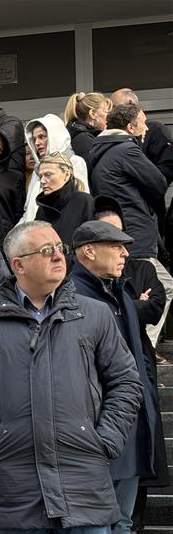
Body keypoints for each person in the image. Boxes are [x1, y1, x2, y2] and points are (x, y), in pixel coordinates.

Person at [0, 220, 142, 534]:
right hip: (14, 478)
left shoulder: (94, 314)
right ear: (18, 264)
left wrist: (105, 440)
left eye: (58, 246)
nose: (58, 255)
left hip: (83, 475)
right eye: (45, 250)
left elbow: (125, 382)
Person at [67, 220, 161, 534]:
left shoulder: (119, 291)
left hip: (131, 427)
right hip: (95, 433)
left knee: (121, 522)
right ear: (89, 250)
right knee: (86, 526)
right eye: (117, 246)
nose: (126, 253)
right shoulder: (71, 296)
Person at [88, 103, 171, 347]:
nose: (146, 128)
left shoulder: (101, 150)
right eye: (143, 123)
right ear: (130, 127)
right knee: (162, 287)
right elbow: (158, 183)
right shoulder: (126, 149)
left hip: (123, 230)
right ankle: (140, 341)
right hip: (136, 233)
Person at [21, 114, 89, 223]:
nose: (37, 143)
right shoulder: (37, 169)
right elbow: (28, 210)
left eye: (42, 137)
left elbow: (81, 204)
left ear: (55, 136)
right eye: (34, 139)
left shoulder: (75, 162)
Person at [110, 88, 173, 184]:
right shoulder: (111, 134)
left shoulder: (155, 130)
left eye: (114, 106)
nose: (111, 112)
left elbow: (167, 167)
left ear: (130, 103)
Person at [33, 152, 94, 247]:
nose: (42, 181)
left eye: (48, 175)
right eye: (40, 176)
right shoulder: (42, 209)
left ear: (66, 175)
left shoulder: (84, 202)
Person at [64, 91, 111, 158]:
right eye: (106, 112)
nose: (108, 116)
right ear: (93, 113)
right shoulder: (84, 140)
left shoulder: (80, 134)